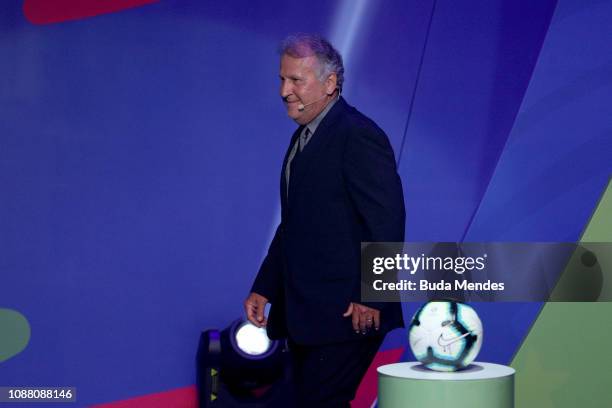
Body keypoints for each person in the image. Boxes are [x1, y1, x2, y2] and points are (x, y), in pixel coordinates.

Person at [244, 33, 405, 408]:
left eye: (296, 80)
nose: (285, 91)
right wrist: (264, 286)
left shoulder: (358, 135)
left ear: (330, 83)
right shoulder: (303, 138)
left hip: (349, 315)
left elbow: (387, 222)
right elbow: (296, 224)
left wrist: (372, 294)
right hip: (309, 316)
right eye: (282, 79)